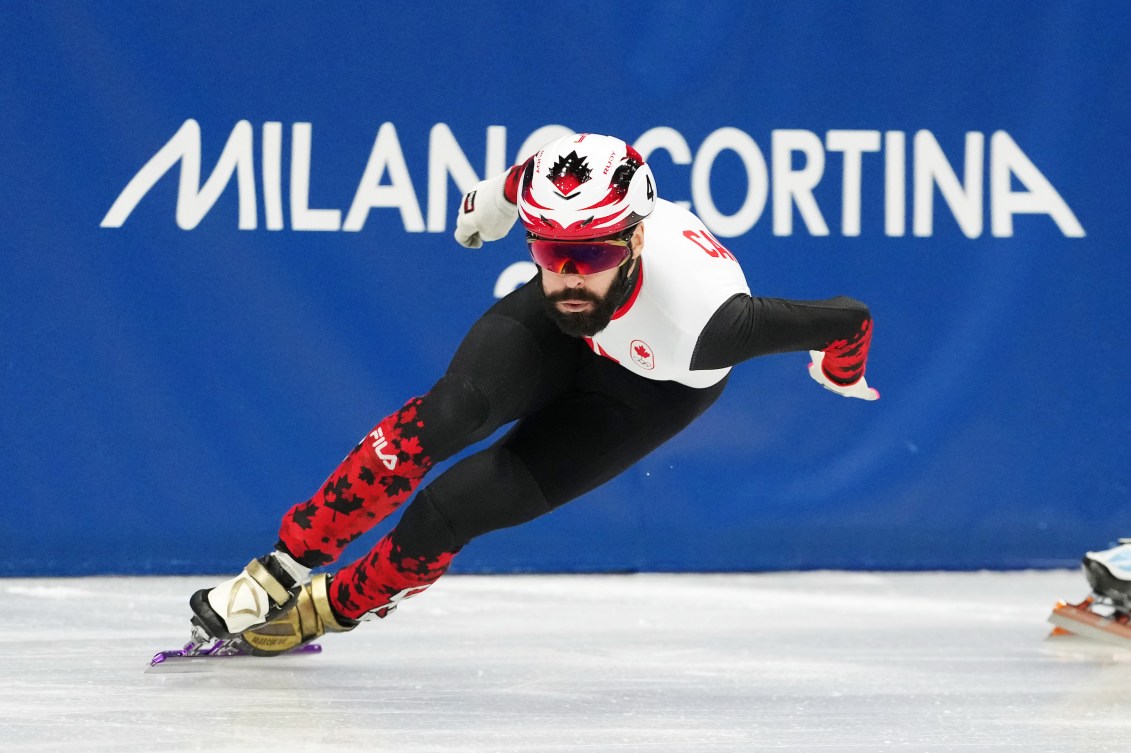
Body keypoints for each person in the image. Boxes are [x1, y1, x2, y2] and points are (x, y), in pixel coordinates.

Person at [187, 133, 880, 655]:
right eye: (549, 253)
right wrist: (486, 209)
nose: (570, 277)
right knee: (448, 414)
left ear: (636, 239)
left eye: (593, 255)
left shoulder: (711, 324)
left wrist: (840, 371)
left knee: (450, 512)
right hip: (565, 336)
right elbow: (524, 179)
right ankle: (276, 570)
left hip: (649, 388)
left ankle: (325, 609)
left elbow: (848, 316)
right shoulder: (561, 216)